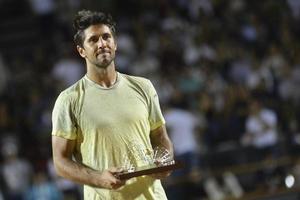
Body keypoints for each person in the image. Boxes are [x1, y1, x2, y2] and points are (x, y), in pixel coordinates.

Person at [51, 10, 174, 200]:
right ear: (81, 50)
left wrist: (163, 161)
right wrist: (99, 178)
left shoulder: (143, 86)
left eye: (106, 37)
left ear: (115, 44)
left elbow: (161, 138)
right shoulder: (69, 100)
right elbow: (60, 162)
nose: (102, 44)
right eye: (93, 40)